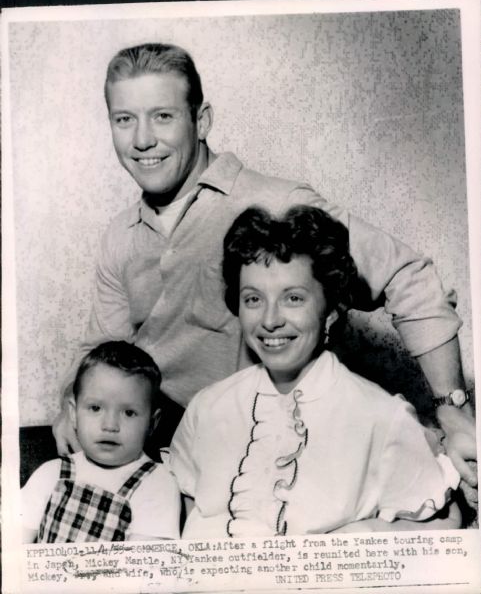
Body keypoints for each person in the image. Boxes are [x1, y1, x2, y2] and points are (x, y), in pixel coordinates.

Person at [52, 42, 476, 494]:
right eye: (124, 120)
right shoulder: (120, 236)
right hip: (176, 458)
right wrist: (69, 405)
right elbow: (104, 349)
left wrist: (452, 408)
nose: (141, 140)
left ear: (201, 121)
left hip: (285, 453)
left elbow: (407, 275)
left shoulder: (274, 204)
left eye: (162, 116)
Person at [170, 205, 461, 537]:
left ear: (330, 308)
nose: (269, 320)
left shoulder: (381, 416)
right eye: (253, 299)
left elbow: (444, 522)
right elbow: (180, 506)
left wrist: (362, 534)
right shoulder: (206, 407)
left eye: (293, 298)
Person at [22, 341, 180, 543]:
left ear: (152, 423)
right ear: (73, 413)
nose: (110, 425)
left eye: (129, 413)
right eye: (95, 408)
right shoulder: (51, 474)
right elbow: (12, 546)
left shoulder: (157, 484)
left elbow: (146, 567)